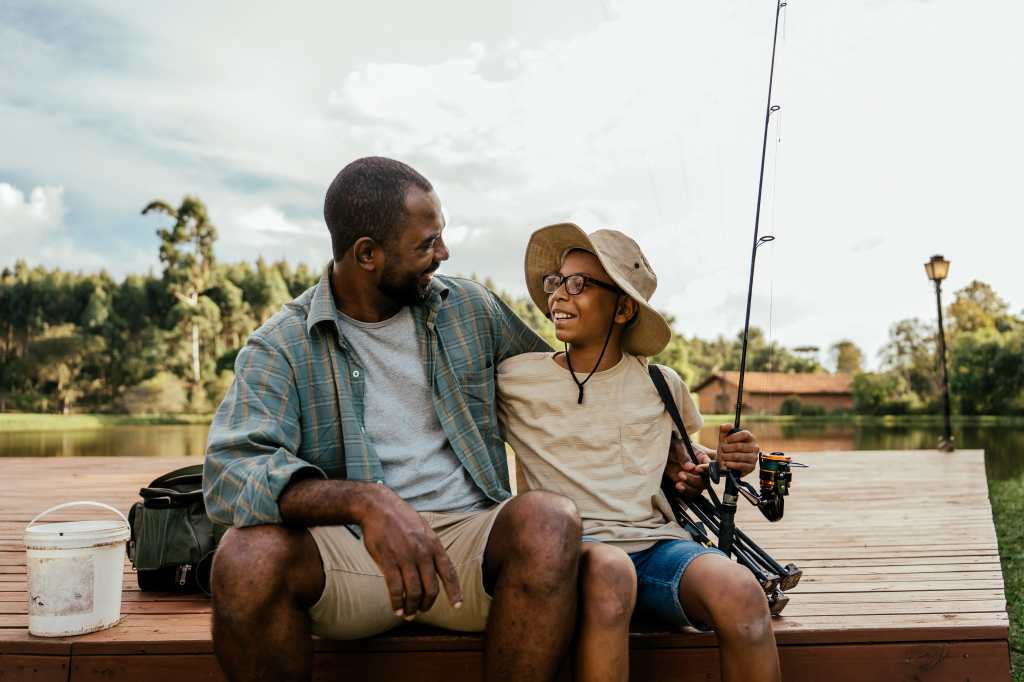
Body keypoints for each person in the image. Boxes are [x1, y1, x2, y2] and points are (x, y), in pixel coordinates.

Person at [202, 157, 584, 682]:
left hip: (469, 549)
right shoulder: (283, 344)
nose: (443, 254)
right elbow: (231, 472)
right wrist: (365, 502)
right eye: (427, 244)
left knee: (550, 522)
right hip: (355, 558)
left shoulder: (471, 307)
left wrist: (671, 438)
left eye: (441, 237)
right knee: (243, 560)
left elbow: (571, 383)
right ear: (367, 254)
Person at [496, 223, 781, 682]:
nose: (558, 296)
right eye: (556, 282)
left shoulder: (662, 384)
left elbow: (685, 456)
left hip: (657, 547)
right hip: (574, 552)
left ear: (624, 308)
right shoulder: (514, 379)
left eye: (579, 284)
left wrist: (724, 459)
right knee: (610, 573)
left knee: (743, 592)